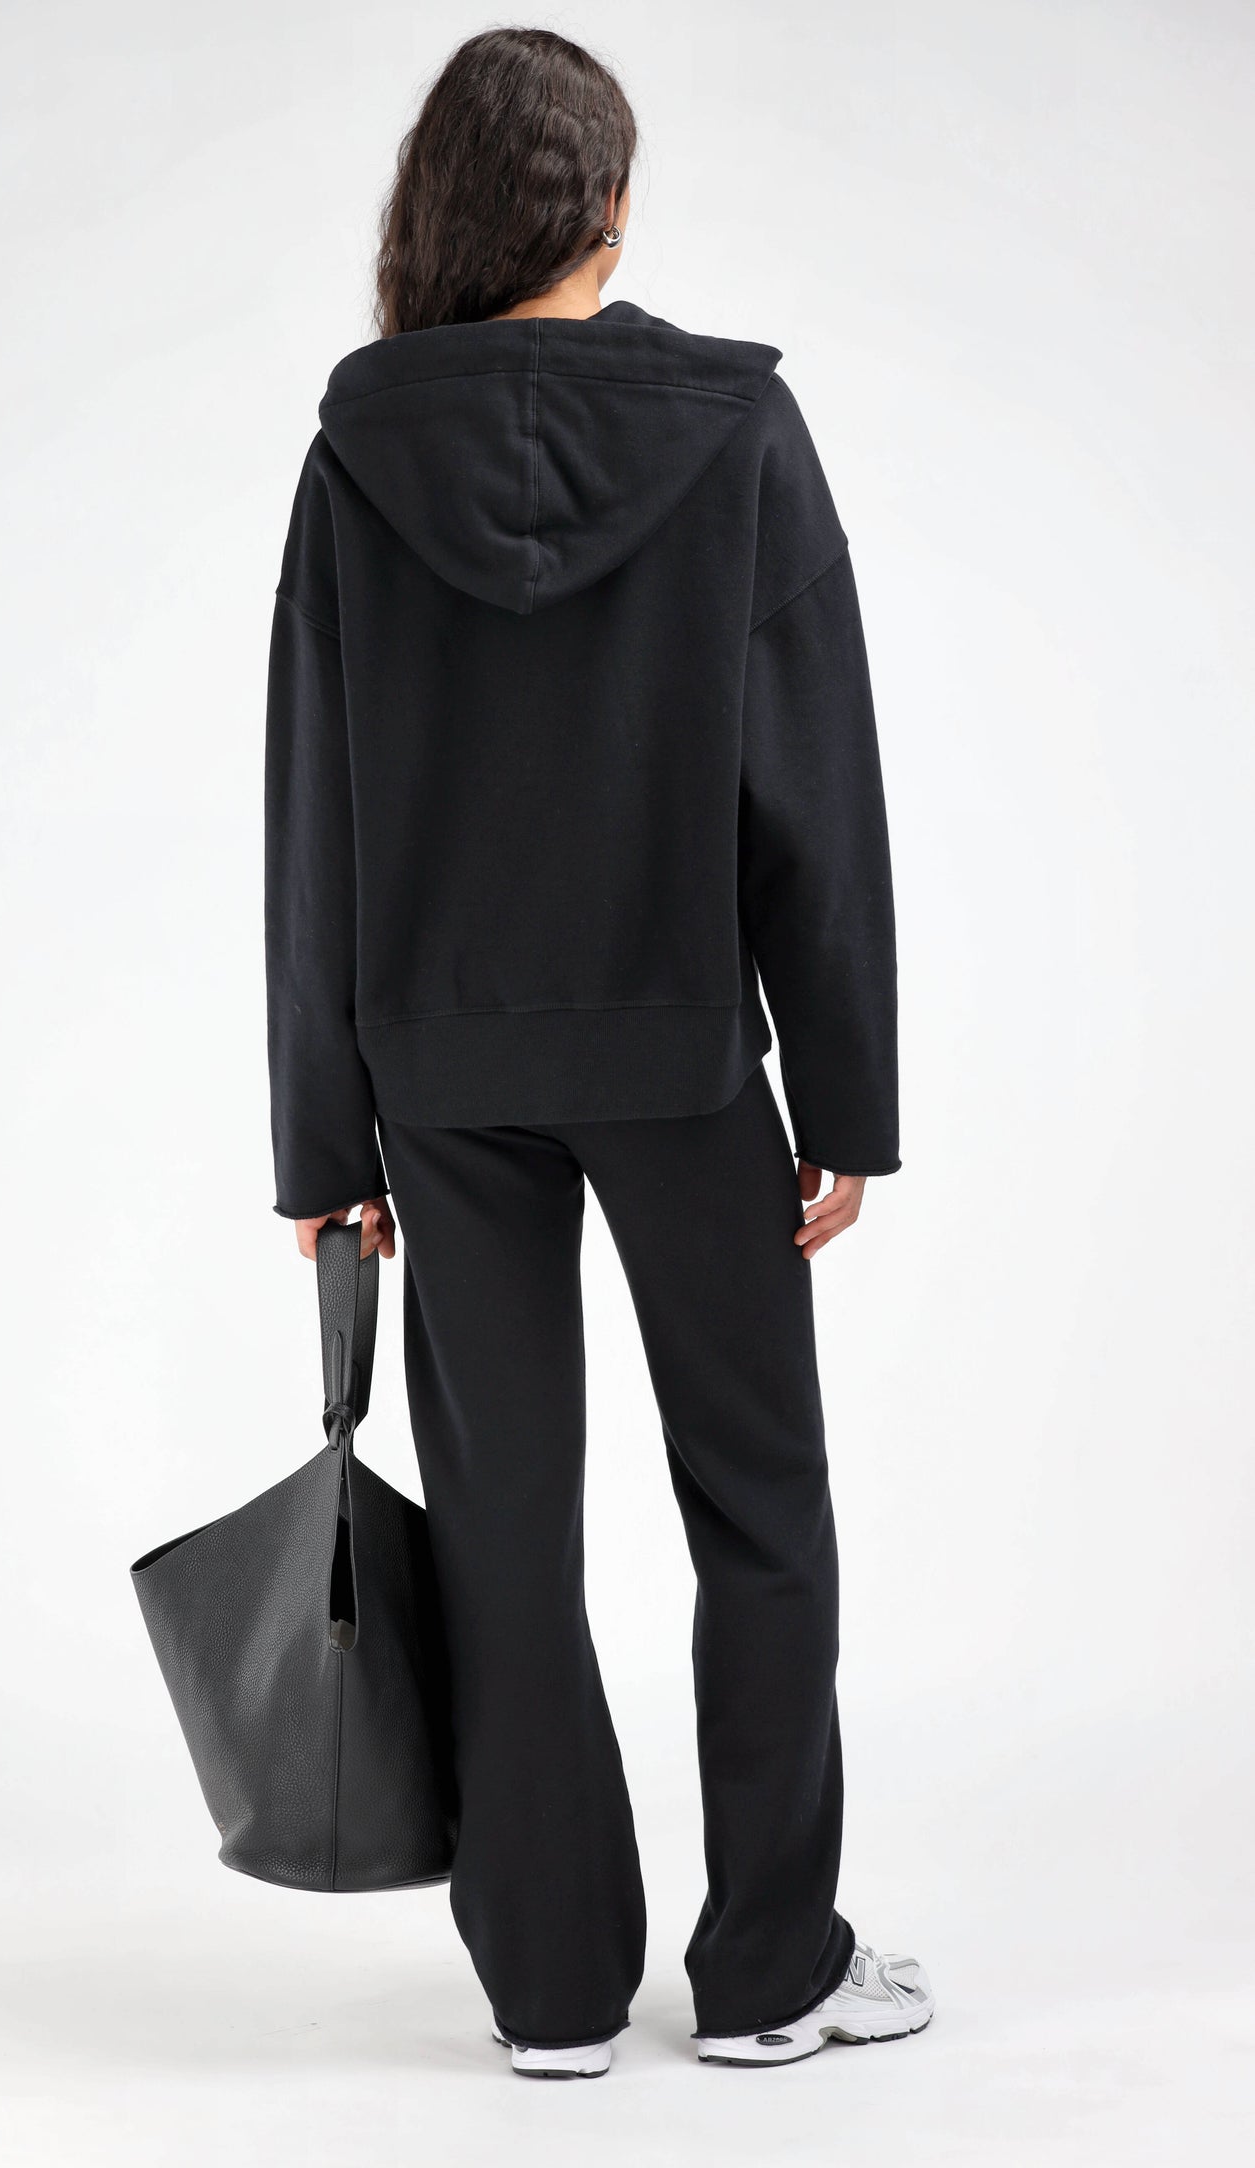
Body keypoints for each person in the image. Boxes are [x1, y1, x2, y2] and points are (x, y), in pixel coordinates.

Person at [263, 26, 933, 2079]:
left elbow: (315, 814)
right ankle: (771, 1973)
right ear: (611, 209)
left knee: (505, 1528)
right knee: (761, 1503)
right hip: (682, 1058)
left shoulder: (357, 450)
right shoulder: (734, 430)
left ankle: (551, 1992)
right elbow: (814, 786)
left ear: (442, 213)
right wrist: (847, 1098)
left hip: (441, 1077)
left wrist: (322, 1144)